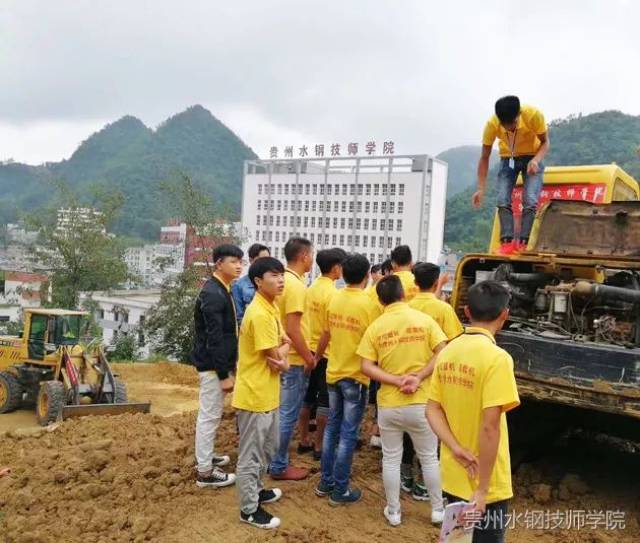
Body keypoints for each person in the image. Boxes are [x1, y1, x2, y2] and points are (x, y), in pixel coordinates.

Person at [427, 281, 520, 543]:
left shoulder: (447, 352)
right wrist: (482, 489)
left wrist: (455, 447)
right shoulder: (497, 359)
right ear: (505, 315)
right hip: (486, 482)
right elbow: (490, 427)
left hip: (455, 472)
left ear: (466, 312)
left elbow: (432, 409)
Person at [358, 275, 447, 526]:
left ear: (380, 299)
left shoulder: (376, 327)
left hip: (389, 404)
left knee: (391, 459)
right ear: (404, 294)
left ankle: (394, 511)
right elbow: (443, 352)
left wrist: (395, 381)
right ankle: (438, 509)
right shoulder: (424, 320)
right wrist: (418, 377)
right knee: (429, 457)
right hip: (421, 403)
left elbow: (366, 366)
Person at [315, 253, 380, 505]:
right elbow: (378, 341)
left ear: (342, 273)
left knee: (332, 428)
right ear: (366, 276)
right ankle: (340, 490)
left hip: (333, 372)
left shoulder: (334, 298)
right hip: (355, 377)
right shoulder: (369, 305)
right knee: (348, 434)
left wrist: (316, 358)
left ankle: (325, 482)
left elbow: (325, 334)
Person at [233, 257, 290, 530]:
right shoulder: (258, 313)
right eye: (274, 275)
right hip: (254, 396)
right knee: (251, 455)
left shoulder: (271, 307)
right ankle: (249, 509)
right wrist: (286, 353)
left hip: (268, 393)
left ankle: (256, 490)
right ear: (258, 281)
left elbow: (282, 347)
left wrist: (284, 352)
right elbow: (277, 356)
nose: (280, 280)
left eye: (282, 275)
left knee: (268, 448)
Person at [191, 244, 244, 488]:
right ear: (219, 263)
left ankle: (206, 455)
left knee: (211, 415)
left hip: (217, 364)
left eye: (240, 261)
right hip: (213, 366)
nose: (239, 266)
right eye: (234, 261)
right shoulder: (213, 293)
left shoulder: (223, 289)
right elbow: (214, 337)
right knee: (210, 415)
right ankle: (204, 472)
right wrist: (223, 373)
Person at [472, 95, 550, 255]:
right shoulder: (492, 124)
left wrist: (536, 160)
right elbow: (484, 157)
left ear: (519, 115)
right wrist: (480, 188)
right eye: (505, 126)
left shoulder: (533, 115)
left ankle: (524, 243)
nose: (509, 129)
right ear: (499, 121)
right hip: (508, 158)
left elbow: (545, 142)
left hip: (532, 157)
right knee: (502, 199)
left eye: (512, 125)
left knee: (530, 200)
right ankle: (506, 243)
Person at [269, 237, 315, 481]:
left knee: (280, 412)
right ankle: (278, 465)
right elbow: (294, 328)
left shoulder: (281, 280)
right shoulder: (296, 286)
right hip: (294, 359)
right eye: (311, 254)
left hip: (282, 353)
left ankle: (275, 458)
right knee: (288, 414)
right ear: (304, 256)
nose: (312, 259)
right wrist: (309, 357)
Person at [297, 248, 346, 460]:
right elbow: (328, 331)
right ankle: (319, 446)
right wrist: (318, 356)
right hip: (324, 354)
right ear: (336, 268)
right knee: (325, 400)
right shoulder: (334, 295)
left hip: (307, 349)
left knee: (307, 398)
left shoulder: (309, 288)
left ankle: (303, 439)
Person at [232, 243, 271, 325]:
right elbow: (238, 317)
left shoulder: (273, 283)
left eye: (267, 260)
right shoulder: (239, 286)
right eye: (260, 260)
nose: (265, 264)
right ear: (251, 260)